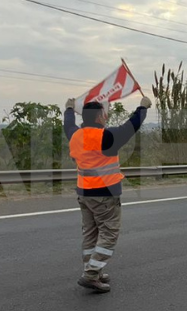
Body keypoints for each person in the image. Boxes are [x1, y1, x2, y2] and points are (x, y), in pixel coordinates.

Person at [64, 95, 151, 293]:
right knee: (109, 234)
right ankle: (91, 274)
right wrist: (142, 107)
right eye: (103, 115)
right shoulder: (106, 137)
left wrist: (69, 108)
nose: (105, 117)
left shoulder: (75, 135)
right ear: (98, 118)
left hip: (84, 193)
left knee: (90, 233)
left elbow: (68, 123)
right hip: (105, 194)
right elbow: (131, 126)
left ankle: (92, 269)